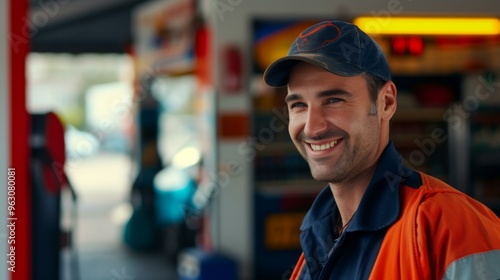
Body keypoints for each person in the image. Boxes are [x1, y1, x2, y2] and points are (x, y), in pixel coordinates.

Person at [263, 20, 500, 280]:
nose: (312, 126)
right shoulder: (318, 235)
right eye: (298, 105)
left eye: (333, 100)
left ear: (386, 102)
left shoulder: (451, 226)